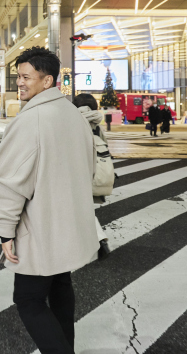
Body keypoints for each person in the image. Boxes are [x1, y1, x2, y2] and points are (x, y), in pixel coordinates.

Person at [0, 47, 98, 354]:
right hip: (68, 222)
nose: (20, 82)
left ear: (48, 81)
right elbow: (90, 167)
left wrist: (5, 230)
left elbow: (10, 182)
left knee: (29, 299)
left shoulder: (33, 120)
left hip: (41, 227)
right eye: (18, 76)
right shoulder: (73, 114)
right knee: (59, 287)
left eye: (26, 76)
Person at [73, 93, 112, 261]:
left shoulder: (74, 121)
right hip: (93, 170)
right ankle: (96, 240)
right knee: (81, 205)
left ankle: (99, 239)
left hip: (76, 169)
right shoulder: (96, 122)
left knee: (77, 205)